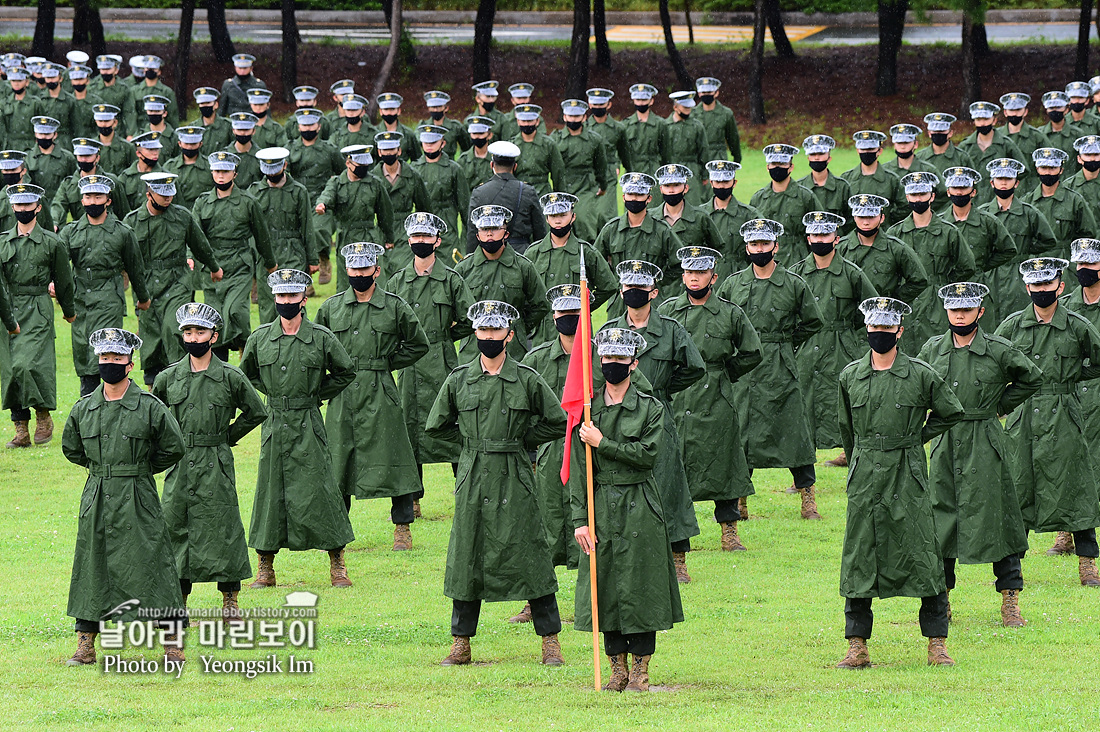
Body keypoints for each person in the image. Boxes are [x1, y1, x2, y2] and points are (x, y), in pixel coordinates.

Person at [426, 300, 567, 667]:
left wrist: (522, 439)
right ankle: (461, 642)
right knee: (466, 554)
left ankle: (550, 640)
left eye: (495, 331)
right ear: (475, 333)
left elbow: (556, 420)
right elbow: (435, 427)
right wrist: (470, 449)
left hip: (516, 473)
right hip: (473, 475)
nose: (489, 337)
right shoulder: (459, 379)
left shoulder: (527, 378)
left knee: (531, 551)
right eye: (483, 330)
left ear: (509, 334)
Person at [837, 297, 964, 670]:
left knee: (925, 553)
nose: (880, 335)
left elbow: (951, 410)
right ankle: (856, 645)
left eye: (886, 329)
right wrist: (859, 463)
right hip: (865, 478)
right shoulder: (850, 376)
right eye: (874, 329)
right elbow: (847, 430)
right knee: (859, 556)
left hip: (907, 473)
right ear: (866, 331)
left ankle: (937, 644)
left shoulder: (921, 374)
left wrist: (917, 438)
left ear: (900, 331)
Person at [62, 327, 187, 666]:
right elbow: (71, 448)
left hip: (138, 493)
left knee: (155, 563)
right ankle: (85, 643)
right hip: (98, 494)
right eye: (105, 358)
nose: (110, 364)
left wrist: (139, 469)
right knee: (92, 564)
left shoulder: (150, 406)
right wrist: (103, 470)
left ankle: (172, 642)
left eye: (117, 358)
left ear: (130, 364)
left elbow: (173, 446)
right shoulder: (84, 408)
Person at [917, 283, 1040, 627]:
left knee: (999, 522)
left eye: (967, 309)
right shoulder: (931, 350)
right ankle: (941, 604)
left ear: (980, 312)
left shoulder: (998, 350)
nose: (960, 314)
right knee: (941, 522)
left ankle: (1010, 602)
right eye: (954, 309)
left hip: (986, 443)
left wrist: (999, 406)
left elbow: (1032, 378)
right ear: (945, 311)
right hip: (945, 444)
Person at [573, 327, 683, 693]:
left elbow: (648, 457)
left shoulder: (651, 408)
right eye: (607, 359)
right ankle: (616, 667)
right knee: (605, 586)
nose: (612, 365)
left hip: (640, 505)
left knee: (642, 586)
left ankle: (641, 668)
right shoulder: (588, 410)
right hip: (600, 506)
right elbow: (577, 471)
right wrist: (579, 521)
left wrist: (603, 443)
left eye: (620, 359)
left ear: (633, 364)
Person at [240, 269, 357, 588]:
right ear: (274, 299)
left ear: (303, 299)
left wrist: (316, 395)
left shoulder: (320, 336)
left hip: (309, 421)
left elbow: (346, 371)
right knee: (269, 491)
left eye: (292, 296)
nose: (286, 302)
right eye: (280, 296)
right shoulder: (260, 337)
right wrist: (271, 395)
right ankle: (265, 566)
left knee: (322, 489)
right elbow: (243, 378)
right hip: (275, 422)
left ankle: (337, 564)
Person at [152, 303, 267, 624]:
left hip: (216, 459)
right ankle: (177, 602)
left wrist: (227, 436)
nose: (193, 337)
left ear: (214, 336)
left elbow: (257, 411)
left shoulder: (230, 376)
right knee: (175, 525)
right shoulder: (167, 378)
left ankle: (230, 599)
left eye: (200, 332)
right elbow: (154, 418)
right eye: (188, 332)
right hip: (179, 463)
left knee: (223, 525)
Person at [317, 242, 429, 550]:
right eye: (353, 269)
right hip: (343, 394)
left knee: (396, 457)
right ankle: (337, 530)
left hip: (381, 390)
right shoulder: (331, 307)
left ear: (376, 271)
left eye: (364, 269)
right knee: (337, 459)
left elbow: (418, 344)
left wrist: (387, 363)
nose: (358, 274)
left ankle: (403, 527)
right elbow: (318, 348)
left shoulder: (393, 305)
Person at [995, 257, 1100, 586]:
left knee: (1077, 485)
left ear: (1060, 285)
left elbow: (1097, 359)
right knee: (1018, 485)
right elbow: (993, 363)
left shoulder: (1077, 325)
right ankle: (1013, 571)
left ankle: (1087, 565)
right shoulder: (1012, 326)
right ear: (1027, 288)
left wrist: (1070, 379)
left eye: (1047, 284)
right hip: (1024, 416)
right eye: (1036, 285)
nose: (1042, 290)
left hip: (1065, 413)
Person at [602, 260, 704, 580]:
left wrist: (663, 390)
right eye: (629, 288)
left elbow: (694, 367)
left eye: (640, 289)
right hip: (617, 414)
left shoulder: (671, 329)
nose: (634, 294)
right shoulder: (609, 331)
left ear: (654, 292)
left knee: (668, 481)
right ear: (621, 292)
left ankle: (678, 557)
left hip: (657, 412)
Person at [717, 219, 825, 520]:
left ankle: (808, 497)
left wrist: (788, 343)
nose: (759, 249)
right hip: (746, 368)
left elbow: (813, 321)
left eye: (765, 244)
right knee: (741, 432)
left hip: (780, 365)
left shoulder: (793, 283)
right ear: (747, 247)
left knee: (795, 430)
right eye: (754, 244)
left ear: (775, 247)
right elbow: (722, 319)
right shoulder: (734, 283)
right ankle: (739, 500)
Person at [659, 246, 762, 551]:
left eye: (701, 272)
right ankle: (675, 534)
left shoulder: (730, 313)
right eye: (689, 272)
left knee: (724, 463)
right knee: (673, 463)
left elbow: (752, 351)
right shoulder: (666, 312)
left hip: (716, 396)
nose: (694, 278)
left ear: (714, 277)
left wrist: (724, 373)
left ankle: (729, 531)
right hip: (676, 397)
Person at [387, 213, 474, 517]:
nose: (420, 242)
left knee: (454, 425)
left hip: (444, 361)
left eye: (426, 237)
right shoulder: (398, 280)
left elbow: (469, 318)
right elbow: (389, 320)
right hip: (410, 367)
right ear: (408, 240)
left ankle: (464, 490)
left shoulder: (451, 279)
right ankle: (412, 500)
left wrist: (445, 337)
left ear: (437, 241)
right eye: (415, 237)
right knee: (409, 428)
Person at [792, 211, 878, 469]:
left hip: (842, 348)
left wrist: (857, 341)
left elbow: (873, 309)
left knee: (848, 406)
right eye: (816, 235)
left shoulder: (851, 274)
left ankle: (854, 463)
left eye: (825, 235)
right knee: (802, 409)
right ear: (808, 238)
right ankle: (803, 477)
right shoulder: (797, 274)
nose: (820, 239)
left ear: (837, 238)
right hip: (807, 351)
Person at [123, 172, 221, 386]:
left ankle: (180, 379)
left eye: (170, 194)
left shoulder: (182, 216)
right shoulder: (132, 221)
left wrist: (214, 268)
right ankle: (153, 386)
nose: (168, 198)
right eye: (162, 194)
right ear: (149, 194)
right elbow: (123, 255)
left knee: (172, 327)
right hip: (146, 283)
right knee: (151, 335)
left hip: (177, 280)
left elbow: (200, 245)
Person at [59, 174, 150, 396]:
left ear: (108, 199)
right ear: (81, 200)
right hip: (80, 299)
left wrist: (143, 298)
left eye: (98, 196)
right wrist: (55, 284)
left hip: (109, 297)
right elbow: (58, 265)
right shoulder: (70, 232)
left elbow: (135, 268)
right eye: (88, 196)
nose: (93, 202)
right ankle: (87, 402)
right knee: (83, 351)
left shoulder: (122, 231)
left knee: (106, 349)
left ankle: (112, 399)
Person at [0, 183, 74, 447]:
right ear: (12, 207)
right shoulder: (2, 242)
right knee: (10, 370)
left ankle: (43, 416)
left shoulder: (52, 242)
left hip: (39, 308)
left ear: (38, 207)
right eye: (18, 205)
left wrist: (69, 311)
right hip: (9, 309)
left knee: (33, 365)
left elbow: (64, 281)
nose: (22, 210)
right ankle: (20, 428)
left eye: (28, 205)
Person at [191, 151, 276, 360]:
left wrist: (270, 262)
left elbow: (261, 235)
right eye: (218, 171)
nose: (221, 175)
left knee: (236, 310)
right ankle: (218, 361)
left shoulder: (248, 202)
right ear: (212, 173)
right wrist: (190, 256)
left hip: (239, 264)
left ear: (235, 174)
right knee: (214, 316)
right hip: (212, 265)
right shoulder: (202, 202)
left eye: (226, 171)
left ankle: (244, 344)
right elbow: (193, 234)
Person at [888, 173, 977, 348]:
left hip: (938, 302)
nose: (918, 199)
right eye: (914, 195)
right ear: (907, 197)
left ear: (932, 196)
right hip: (907, 301)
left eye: (922, 194)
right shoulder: (895, 234)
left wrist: (945, 285)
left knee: (938, 349)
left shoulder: (948, 231)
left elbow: (967, 266)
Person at [455, 204, 547, 362]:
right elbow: (452, 309)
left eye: (495, 228)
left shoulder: (523, 266)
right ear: (477, 235)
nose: (489, 233)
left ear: (506, 233)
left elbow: (541, 304)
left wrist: (519, 327)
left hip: (512, 349)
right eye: (484, 229)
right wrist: (469, 329)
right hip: (473, 349)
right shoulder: (464, 269)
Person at [525, 192, 617, 343]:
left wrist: (584, 308)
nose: (558, 220)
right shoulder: (534, 253)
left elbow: (608, 285)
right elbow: (525, 292)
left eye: (562, 215)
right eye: (553, 216)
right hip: (544, 332)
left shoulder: (585, 251)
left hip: (577, 328)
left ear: (573, 216)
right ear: (547, 219)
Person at [594, 172, 683, 318]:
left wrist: (658, 281)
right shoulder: (611, 229)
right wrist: (612, 284)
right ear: (624, 197)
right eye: (630, 194)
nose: (634, 198)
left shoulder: (661, 230)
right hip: (619, 304)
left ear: (649, 198)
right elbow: (595, 264)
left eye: (639, 195)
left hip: (651, 302)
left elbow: (679, 263)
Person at [979, 157, 1058, 323]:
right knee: (989, 320)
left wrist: (1025, 250)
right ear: (992, 183)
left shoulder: (1029, 213)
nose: (1003, 183)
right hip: (990, 275)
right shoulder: (982, 214)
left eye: (1008, 179)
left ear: (1016, 183)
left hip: (1018, 275)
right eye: (999, 179)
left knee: (1019, 319)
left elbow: (1049, 240)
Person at [248, 146, 317, 323]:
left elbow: (307, 227)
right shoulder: (254, 192)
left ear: (285, 165)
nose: (271, 175)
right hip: (265, 254)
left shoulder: (299, 191)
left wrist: (313, 260)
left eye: (275, 170)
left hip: (293, 251)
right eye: (268, 171)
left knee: (294, 302)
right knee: (268, 305)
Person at [315, 144, 394, 292]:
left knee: (375, 280)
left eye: (366, 164)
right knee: (346, 284)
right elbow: (327, 195)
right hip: (346, 237)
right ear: (348, 163)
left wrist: (389, 238)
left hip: (369, 236)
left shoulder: (375, 184)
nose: (363, 168)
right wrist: (322, 204)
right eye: (359, 165)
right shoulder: (337, 183)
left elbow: (385, 213)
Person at [549, 98, 611, 242]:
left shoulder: (594, 140)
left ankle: (589, 254)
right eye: (570, 116)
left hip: (586, 187)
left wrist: (603, 186)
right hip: (563, 187)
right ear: (564, 117)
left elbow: (601, 167)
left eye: (577, 116)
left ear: (584, 117)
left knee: (585, 222)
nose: (573, 119)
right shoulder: (555, 140)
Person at [372, 130, 431, 276]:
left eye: (392, 149)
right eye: (385, 150)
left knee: (403, 271)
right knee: (381, 273)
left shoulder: (412, 176)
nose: (388, 153)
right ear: (379, 152)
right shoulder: (373, 178)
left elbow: (424, 207)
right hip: (380, 231)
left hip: (405, 230)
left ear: (399, 150)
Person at [1023, 147, 1097, 258]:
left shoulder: (1074, 200)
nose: (1048, 172)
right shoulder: (1027, 202)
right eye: (1044, 167)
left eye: (1052, 168)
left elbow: (1088, 234)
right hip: (1036, 264)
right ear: (1037, 169)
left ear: (1061, 170)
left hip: (1066, 262)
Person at [749, 144, 818, 263]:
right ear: (767, 167)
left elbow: (818, 230)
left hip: (798, 257)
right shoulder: (758, 198)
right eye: (774, 164)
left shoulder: (805, 196)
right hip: (766, 259)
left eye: (782, 164)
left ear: (791, 167)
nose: (777, 168)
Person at [411, 123, 470, 261]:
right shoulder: (414, 169)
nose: (429, 145)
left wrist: (468, 241)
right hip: (423, 227)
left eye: (433, 142)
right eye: (426, 142)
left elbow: (465, 206)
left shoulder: (454, 169)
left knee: (450, 268)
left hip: (447, 228)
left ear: (443, 143)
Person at [957, 101, 1026, 209]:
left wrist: (1008, 190)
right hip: (972, 203)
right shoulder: (965, 146)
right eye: (978, 120)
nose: (982, 123)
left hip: (999, 203)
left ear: (994, 121)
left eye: (986, 119)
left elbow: (1023, 171)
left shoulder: (1006, 144)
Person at [698, 160, 759, 283]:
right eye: (718, 182)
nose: (721, 186)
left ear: (734, 183)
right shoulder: (700, 214)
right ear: (711, 183)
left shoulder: (749, 214)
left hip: (741, 276)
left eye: (726, 182)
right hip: (707, 277)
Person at [585, 87, 632, 231]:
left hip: (609, 173)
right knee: (589, 215)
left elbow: (624, 153)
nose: (598, 108)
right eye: (595, 105)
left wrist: (628, 172)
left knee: (607, 214)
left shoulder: (618, 128)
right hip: (588, 174)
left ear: (608, 105)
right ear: (590, 104)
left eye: (601, 105)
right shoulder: (584, 127)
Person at [841, 130, 907, 224]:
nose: (866, 152)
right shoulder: (846, 179)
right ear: (857, 151)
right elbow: (842, 210)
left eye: (871, 149)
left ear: (879, 151)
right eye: (863, 149)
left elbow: (904, 206)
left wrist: (887, 222)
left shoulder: (892, 179)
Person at [663, 91, 709, 207]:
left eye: (689, 107)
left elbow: (703, 151)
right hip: (671, 170)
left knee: (693, 204)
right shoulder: (664, 126)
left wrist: (704, 175)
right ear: (675, 107)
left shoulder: (697, 126)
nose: (688, 110)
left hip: (692, 169)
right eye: (685, 107)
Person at [510, 104, 563, 198]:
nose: (526, 124)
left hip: (542, 193)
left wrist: (561, 198)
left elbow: (558, 173)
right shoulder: (511, 145)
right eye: (523, 121)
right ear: (518, 121)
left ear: (537, 121)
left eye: (530, 121)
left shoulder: (548, 144)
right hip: (518, 194)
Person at [798, 135, 851, 223]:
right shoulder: (800, 187)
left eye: (821, 154)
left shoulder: (842, 187)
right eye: (813, 154)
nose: (816, 158)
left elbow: (850, 220)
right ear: (808, 158)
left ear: (829, 158)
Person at [694, 76, 741, 164]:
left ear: (716, 93)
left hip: (719, 158)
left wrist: (737, 158)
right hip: (698, 159)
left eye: (709, 92)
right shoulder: (693, 114)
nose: (706, 95)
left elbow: (733, 138)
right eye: (703, 92)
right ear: (699, 93)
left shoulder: (726, 113)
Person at [418, 90, 470, 154]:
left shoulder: (455, 127)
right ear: (428, 108)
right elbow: (416, 147)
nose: (435, 110)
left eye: (439, 107)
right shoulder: (423, 126)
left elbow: (467, 147)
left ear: (446, 108)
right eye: (433, 107)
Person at [219, 53, 267, 118]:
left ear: (251, 68)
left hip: (253, 121)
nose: (242, 71)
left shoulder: (259, 85)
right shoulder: (228, 85)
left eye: (245, 68)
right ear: (235, 68)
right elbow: (222, 108)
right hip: (233, 121)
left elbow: (265, 108)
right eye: (240, 68)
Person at [188, 87, 233, 152]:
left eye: (208, 103)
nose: (205, 106)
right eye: (202, 103)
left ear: (216, 105)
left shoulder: (227, 125)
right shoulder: (193, 127)